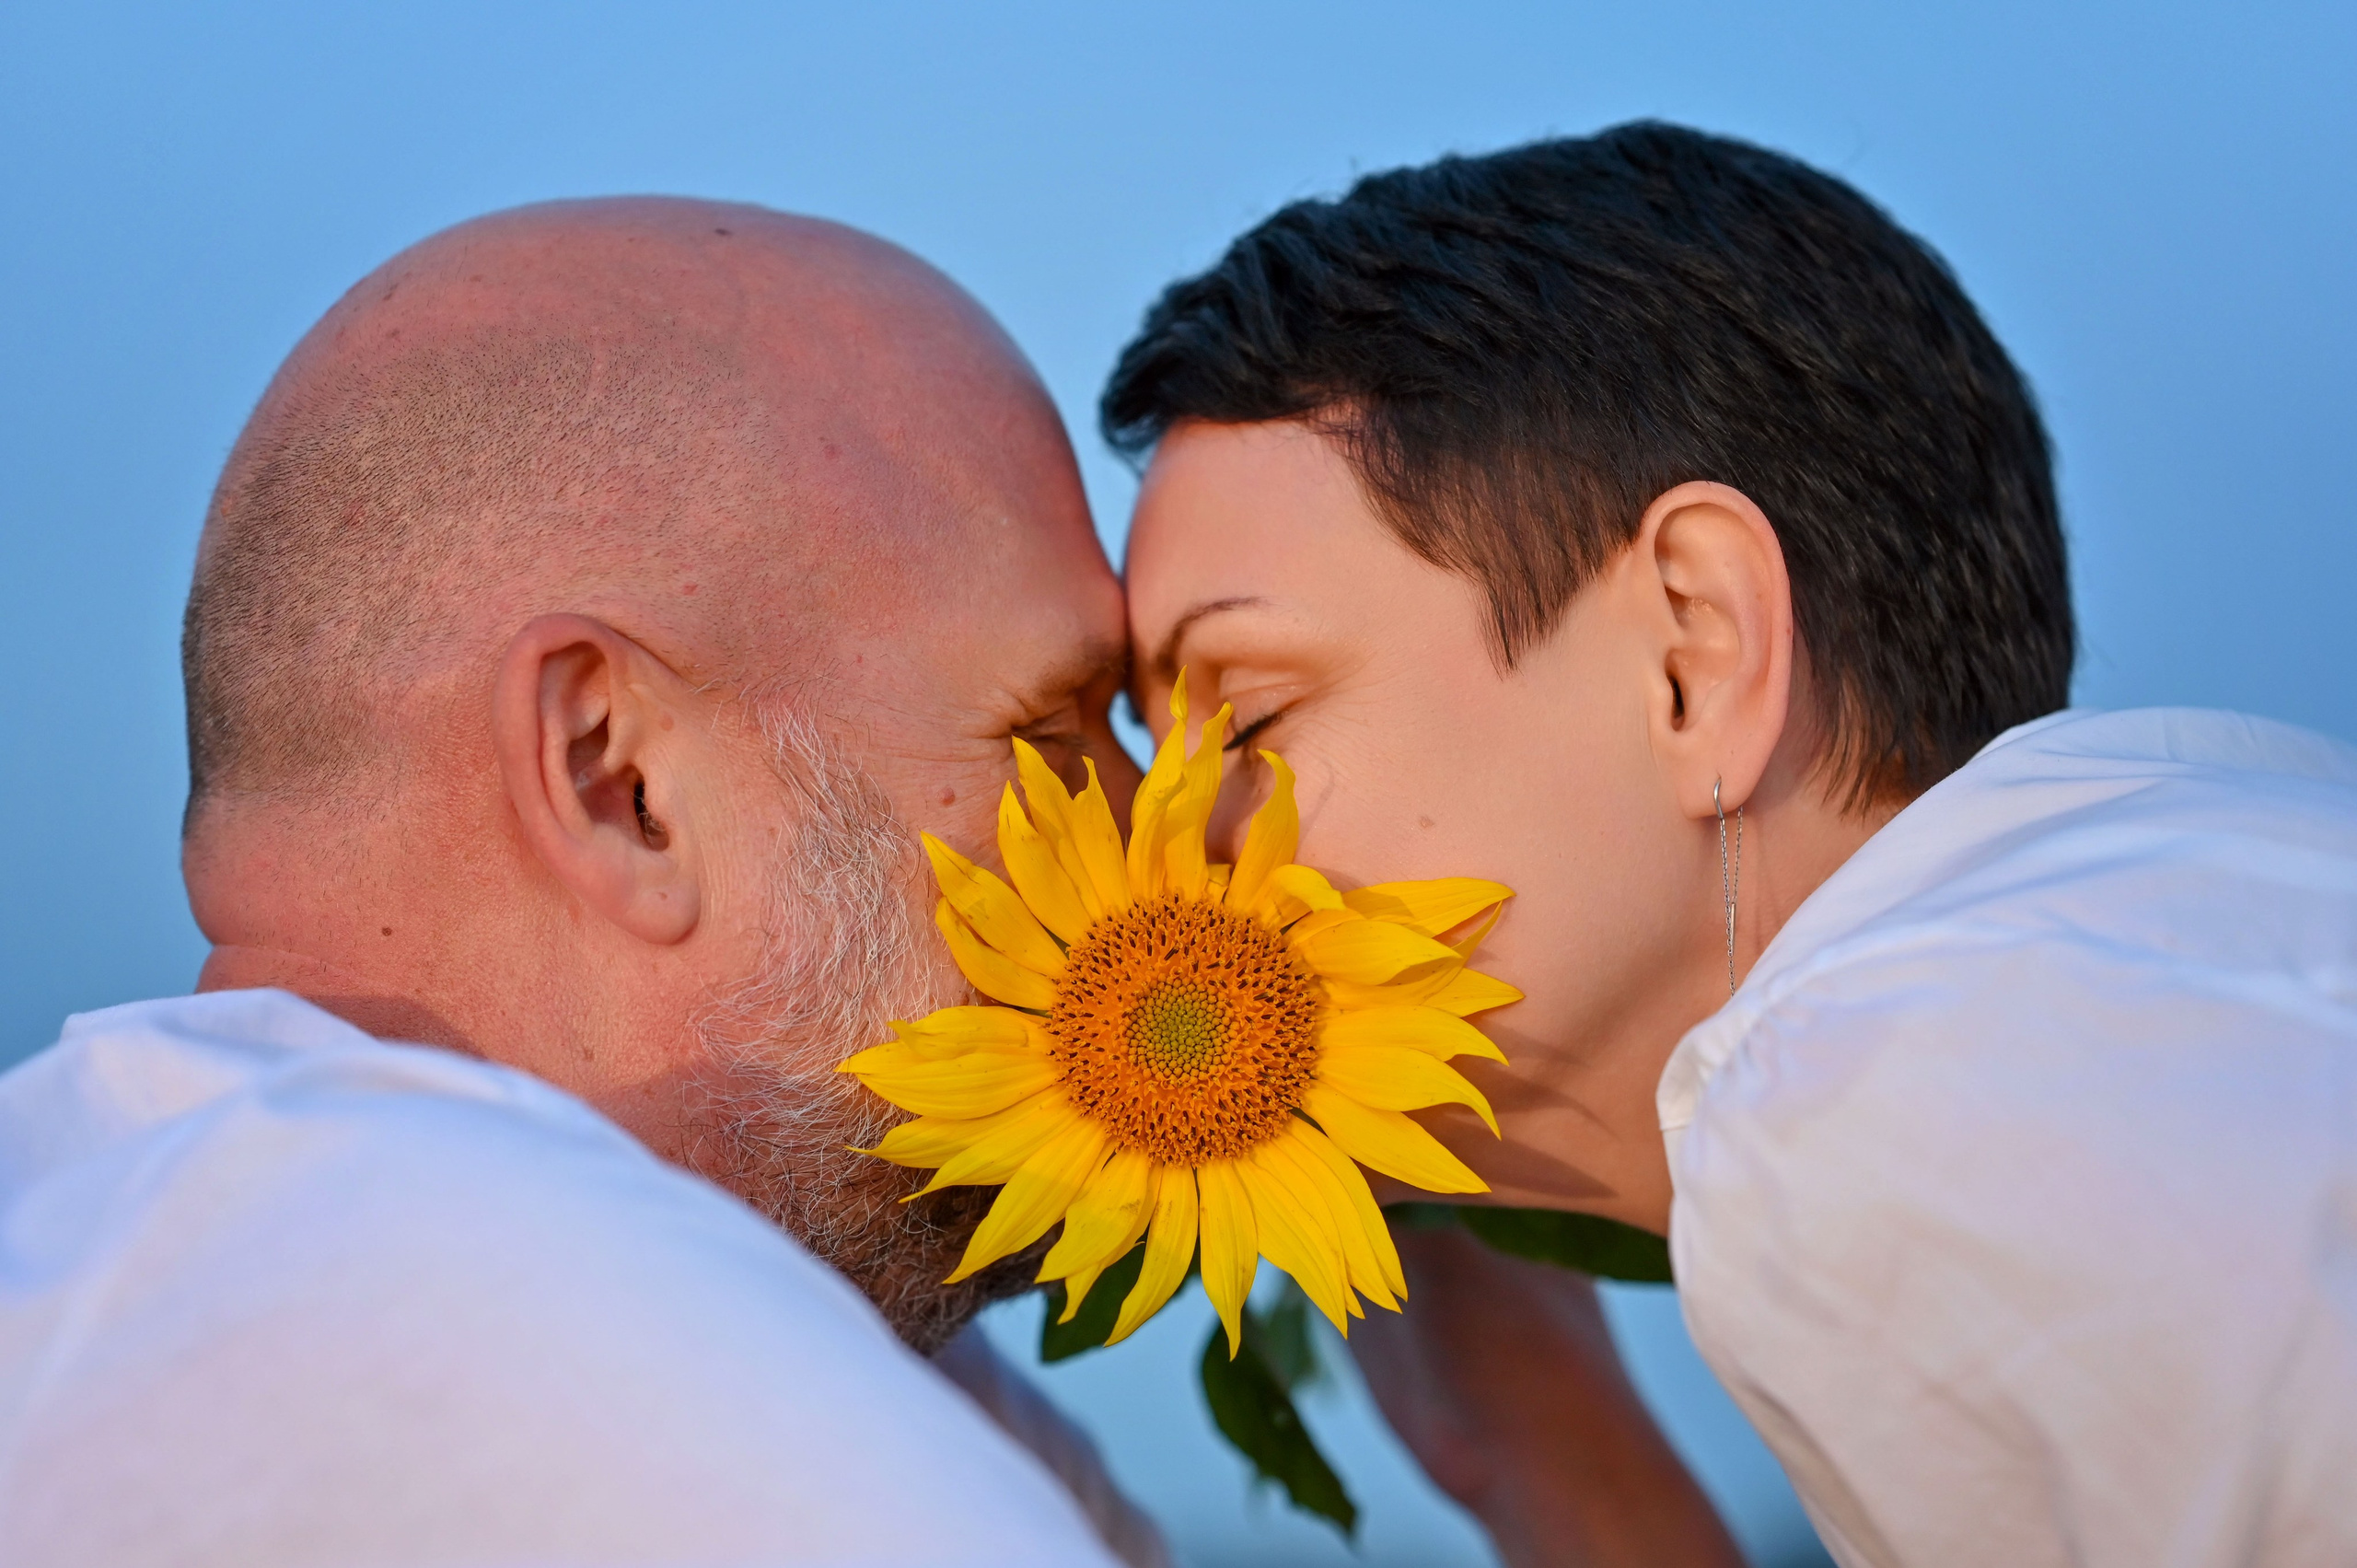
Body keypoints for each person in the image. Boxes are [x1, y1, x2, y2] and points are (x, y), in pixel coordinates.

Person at [1107, 122, 2357, 1567]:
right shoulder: (2138, 923)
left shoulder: (1883, 1093)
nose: (1167, 834)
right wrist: (1555, 1462)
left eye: (1249, 717)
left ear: (1694, 658)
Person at [0, 199, 1164, 1568]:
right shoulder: (588, 1359)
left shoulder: (123, 1234)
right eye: (1051, 726)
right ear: (620, 781)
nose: (1161, 831)